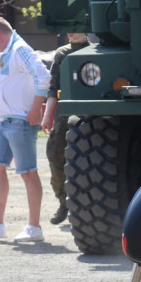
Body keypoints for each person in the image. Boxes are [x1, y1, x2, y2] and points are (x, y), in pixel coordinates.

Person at [0, 17, 50, 242]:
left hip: (20, 121)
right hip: (4, 120)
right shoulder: (3, 53)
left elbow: (43, 75)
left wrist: (36, 109)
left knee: (27, 171)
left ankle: (34, 227)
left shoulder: (20, 49)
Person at [41, 32, 92, 224]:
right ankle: (64, 203)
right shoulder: (62, 53)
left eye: (75, 27)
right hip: (65, 111)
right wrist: (47, 117)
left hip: (90, 110)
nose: (70, 31)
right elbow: (53, 87)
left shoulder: (93, 50)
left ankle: (86, 205)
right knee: (55, 154)